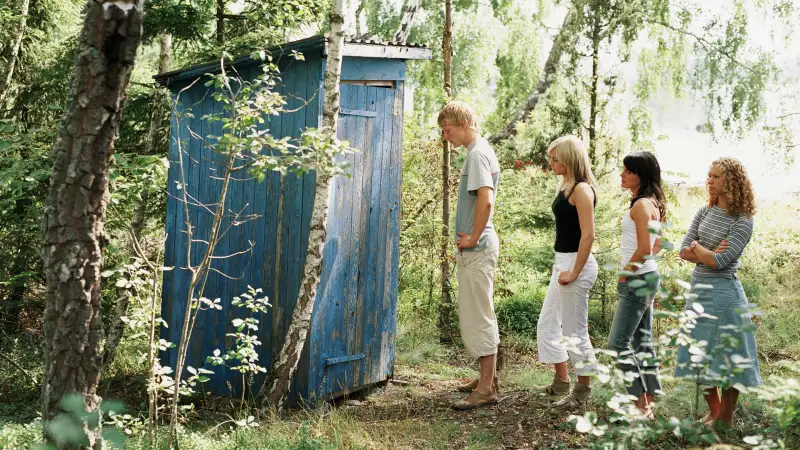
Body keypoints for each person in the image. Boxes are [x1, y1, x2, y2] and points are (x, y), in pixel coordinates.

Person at [675, 157, 763, 426]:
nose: (709, 180)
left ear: (732, 181)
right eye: (709, 176)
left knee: (728, 358)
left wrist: (700, 249)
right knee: (698, 354)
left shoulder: (742, 221)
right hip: (699, 292)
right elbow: (682, 251)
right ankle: (714, 411)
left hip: (725, 295)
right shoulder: (704, 212)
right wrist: (707, 252)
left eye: (715, 176)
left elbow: (719, 262)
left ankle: (725, 417)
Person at [438, 101, 502, 410]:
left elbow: (486, 201)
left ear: (462, 124)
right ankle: (486, 378)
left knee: (479, 315)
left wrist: (473, 237)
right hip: (476, 248)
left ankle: (487, 388)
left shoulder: (477, 154)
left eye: (447, 130)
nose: (445, 136)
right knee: (479, 311)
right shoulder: (479, 151)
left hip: (478, 249)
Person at [536, 135, 599, 407]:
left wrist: (574, 271)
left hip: (577, 265)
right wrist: (561, 266)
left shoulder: (582, 190)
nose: (551, 163)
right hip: (562, 262)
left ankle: (582, 393)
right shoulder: (566, 185)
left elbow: (588, 236)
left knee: (575, 333)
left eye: (555, 159)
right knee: (547, 324)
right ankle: (562, 382)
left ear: (570, 158)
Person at [607, 151, 666, 418]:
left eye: (628, 171)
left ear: (641, 175)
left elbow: (645, 248)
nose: (622, 175)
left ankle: (640, 403)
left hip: (637, 278)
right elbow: (657, 246)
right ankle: (649, 400)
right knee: (642, 342)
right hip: (647, 276)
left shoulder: (641, 206)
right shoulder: (651, 203)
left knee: (617, 344)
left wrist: (625, 274)